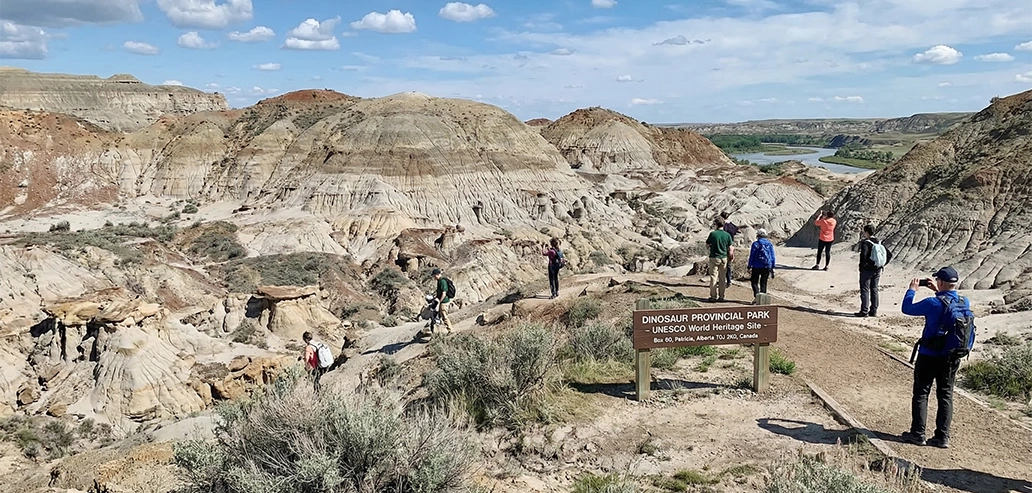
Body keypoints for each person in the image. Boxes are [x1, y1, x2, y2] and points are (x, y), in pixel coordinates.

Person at [900, 266, 967, 449]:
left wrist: (911, 290)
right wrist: (938, 291)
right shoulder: (964, 302)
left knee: (921, 393)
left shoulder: (932, 303)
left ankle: (918, 434)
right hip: (952, 356)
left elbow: (907, 308)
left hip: (929, 355)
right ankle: (942, 437)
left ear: (942, 282)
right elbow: (948, 305)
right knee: (945, 395)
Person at [857, 225, 893, 317]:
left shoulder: (866, 243)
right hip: (877, 269)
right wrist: (882, 264)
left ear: (866, 232)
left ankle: (864, 311)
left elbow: (863, 256)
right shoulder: (879, 242)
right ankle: (874, 310)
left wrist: (862, 267)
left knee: (865, 289)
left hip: (867, 270)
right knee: (874, 289)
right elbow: (889, 255)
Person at [705, 217, 733, 302]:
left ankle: (713, 297)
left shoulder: (713, 234)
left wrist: (711, 247)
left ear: (716, 224)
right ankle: (721, 297)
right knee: (722, 278)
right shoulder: (727, 235)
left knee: (713, 278)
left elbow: (707, 245)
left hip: (714, 257)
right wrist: (730, 257)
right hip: (724, 258)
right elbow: (730, 248)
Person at [747, 228, 776, 298]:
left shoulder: (755, 244)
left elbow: (752, 255)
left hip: (756, 266)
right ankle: (762, 298)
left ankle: (757, 296)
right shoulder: (769, 244)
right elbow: (772, 256)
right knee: (763, 283)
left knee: (754, 282)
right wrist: (772, 266)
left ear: (758, 235)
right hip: (766, 266)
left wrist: (749, 265)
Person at [431, 268, 454, 335]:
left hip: (444, 302)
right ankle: (441, 330)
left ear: (437, 274)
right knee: (441, 316)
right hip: (442, 301)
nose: (434, 277)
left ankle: (450, 330)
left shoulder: (442, 281)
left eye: (434, 276)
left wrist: (439, 301)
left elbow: (444, 293)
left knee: (444, 316)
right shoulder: (439, 281)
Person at [721, 212, 740, 286]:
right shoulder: (732, 225)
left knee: (721, 263)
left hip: (722, 245)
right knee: (728, 265)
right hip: (730, 245)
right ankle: (729, 280)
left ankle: (722, 280)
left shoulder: (722, 225)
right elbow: (737, 230)